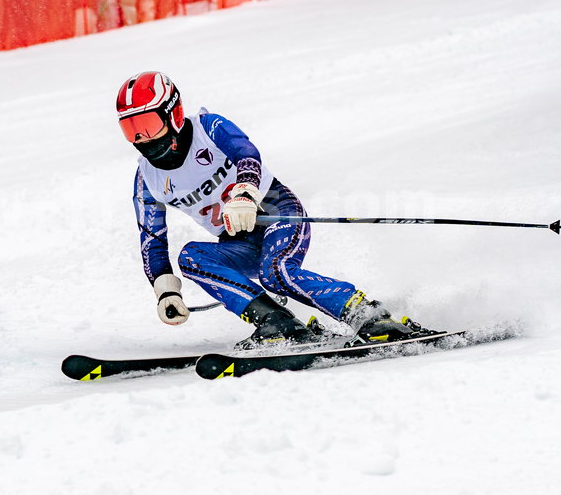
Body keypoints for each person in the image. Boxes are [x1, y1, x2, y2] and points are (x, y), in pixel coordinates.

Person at [117, 70, 429, 349]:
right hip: (238, 242)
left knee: (277, 272)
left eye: (147, 123)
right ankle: (277, 323)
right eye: (131, 129)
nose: (142, 138)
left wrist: (244, 193)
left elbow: (246, 154)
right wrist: (166, 291)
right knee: (191, 258)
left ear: (174, 114)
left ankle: (369, 315)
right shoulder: (147, 178)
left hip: (277, 212)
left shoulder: (208, 128)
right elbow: (152, 240)